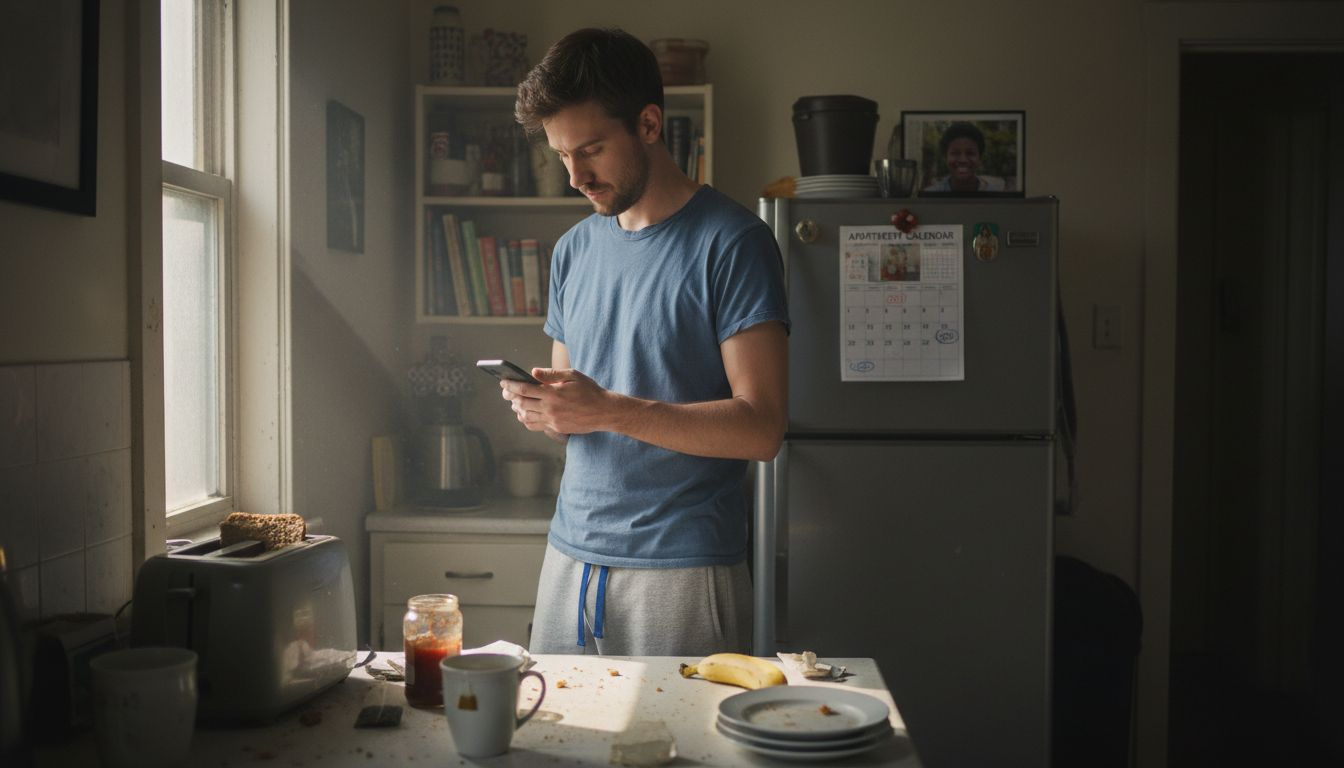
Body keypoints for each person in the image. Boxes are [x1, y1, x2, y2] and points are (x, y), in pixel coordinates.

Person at [504, 28, 790, 657]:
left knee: (683, 755)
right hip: (570, 556)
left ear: (651, 124)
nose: (575, 176)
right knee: (558, 749)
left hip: (684, 569)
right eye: (561, 156)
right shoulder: (574, 250)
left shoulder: (733, 243)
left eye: (592, 150)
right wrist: (549, 409)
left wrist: (605, 408)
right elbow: (577, 411)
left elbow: (762, 427)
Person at [923, 121, 1006, 193]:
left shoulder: (995, 195)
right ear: (945, 157)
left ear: (980, 158)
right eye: (955, 153)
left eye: (970, 153)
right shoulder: (931, 195)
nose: (963, 160)